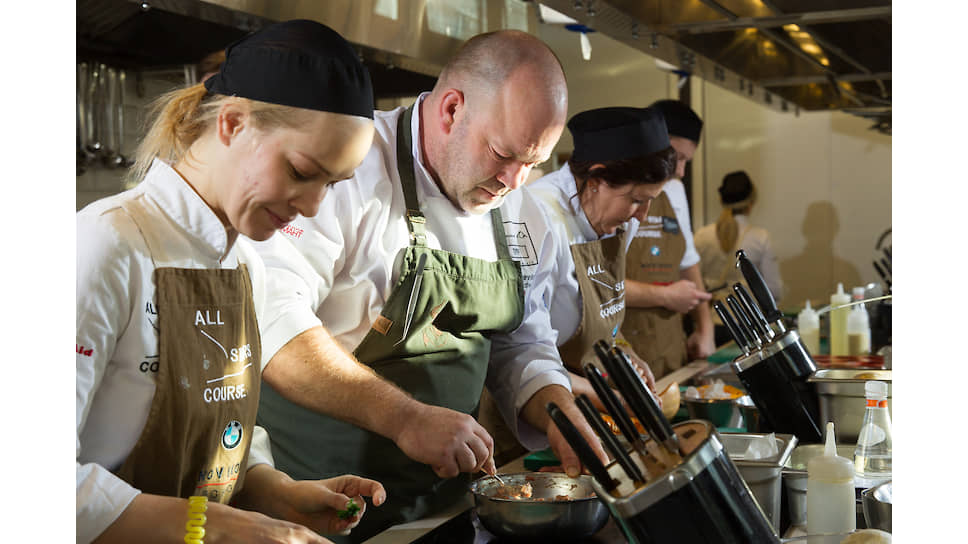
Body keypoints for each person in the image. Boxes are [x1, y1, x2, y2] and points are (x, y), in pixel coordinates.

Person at [249, 30, 606, 542]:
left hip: (442, 509)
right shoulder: (346, 167)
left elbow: (522, 342)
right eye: (502, 153)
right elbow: (271, 318)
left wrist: (559, 411)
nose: (514, 181)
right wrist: (405, 418)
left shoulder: (525, 215)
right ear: (452, 109)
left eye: (533, 163)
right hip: (315, 504)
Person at [76, 20, 386, 544]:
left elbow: (214, 424)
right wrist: (213, 527)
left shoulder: (246, 261)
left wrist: (272, 489)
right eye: (301, 171)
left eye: (332, 185)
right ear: (233, 124)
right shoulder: (107, 244)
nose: (312, 206)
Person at [513, 106, 675, 407]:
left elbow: (602, 313)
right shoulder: (538, 219)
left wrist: (622, 352)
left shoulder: (617, 221)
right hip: (531, 407)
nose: (642, 215)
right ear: (596, 179)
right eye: (637, 200)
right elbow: (522, 354)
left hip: (584, 394)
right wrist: (612, 399)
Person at [621, 99, 715, 379]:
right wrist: (664, 295)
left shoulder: (674, 191)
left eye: (687, 160)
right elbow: (593, 284)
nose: (681, 171)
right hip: (622, 352)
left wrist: (704, 328)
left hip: (668, 348)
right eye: (678, 157)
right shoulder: (614, 193)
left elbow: (689, 263)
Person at [694, 170, 784, 346]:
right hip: (752, 326)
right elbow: (773, 291)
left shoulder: (701, 236)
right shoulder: (761, 237)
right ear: (751, 202)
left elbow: (695, 285)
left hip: (713, 325)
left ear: (721, 200)